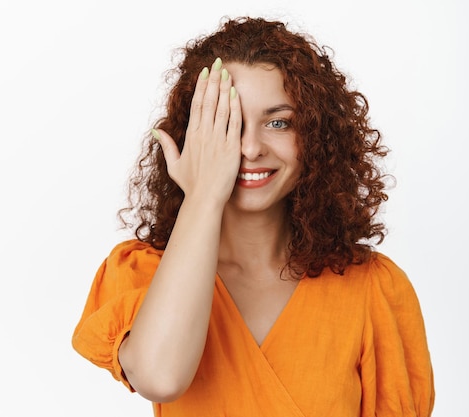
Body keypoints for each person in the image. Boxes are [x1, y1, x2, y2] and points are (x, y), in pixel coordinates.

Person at [72, 16, 435, 416]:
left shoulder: (373, 289)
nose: (249, 147)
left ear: (315, 135)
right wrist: (204, 194)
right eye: (226, 123)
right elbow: (160, 378)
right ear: (193, 134)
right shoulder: (142, 270)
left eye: (278, 122)